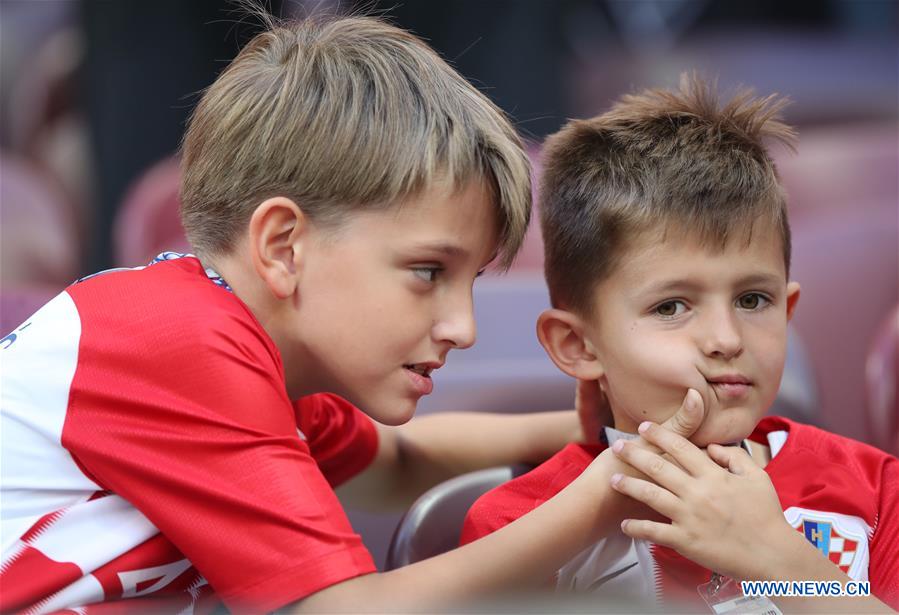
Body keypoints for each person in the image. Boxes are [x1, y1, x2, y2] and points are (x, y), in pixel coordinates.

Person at [0, 12, 704, 614]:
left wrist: (602, 431)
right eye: (428, 272)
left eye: (470, 280)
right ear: (283, 245)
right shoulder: (179, 345)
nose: (463, 326)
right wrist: (606, 493)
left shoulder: (237, 347)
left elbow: (396, 460)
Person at [461, 74, 898, 612]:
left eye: (753, 300)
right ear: (578, 344)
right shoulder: (516, 527)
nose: (725, 338)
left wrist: (784, 566)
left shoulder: (875, 488)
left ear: (788, 313)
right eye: (671, 307)